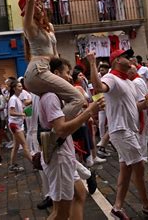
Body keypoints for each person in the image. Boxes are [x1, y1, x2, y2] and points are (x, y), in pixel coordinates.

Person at [89, 49, 148, 220]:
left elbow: (134, 106)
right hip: (121, 130)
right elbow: (98, 87)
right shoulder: (111, 78)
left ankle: (117, 207)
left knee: (126, 170)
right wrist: (91, 63)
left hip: (130, 129)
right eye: (126, 57)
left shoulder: (129, 82)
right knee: (139, 166)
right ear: (117, 60)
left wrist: (147, 103)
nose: (131, 59)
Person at [20, 0, 85, 120]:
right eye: (35, 4)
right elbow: (28, 1)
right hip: (38, 70)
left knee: (67, 100)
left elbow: (55, 55)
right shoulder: (30, 27)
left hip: (46, 70)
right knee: (78, 98)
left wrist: (64, 72)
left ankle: (53, 128)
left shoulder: (49, 27)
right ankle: (56, 129)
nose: (39, 5)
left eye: (40, 3)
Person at [40, 57, 103, 220]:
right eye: (67, 73)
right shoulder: (51, 97)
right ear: (55, 74)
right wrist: (89, 111)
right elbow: (60, 129)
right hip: (59, 158)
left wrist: (87, 111)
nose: (70, 76)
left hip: (65, 155)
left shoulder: (57, 95)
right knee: (60, 213)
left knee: (80, 194)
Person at [7, 79, 33, 172]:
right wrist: (22, 114)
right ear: (14, 88)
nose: (21, 88)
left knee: (16, 146)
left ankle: (12, 165)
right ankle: (35, 164)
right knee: (25, 145)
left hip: (17, 124)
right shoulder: (13, 99)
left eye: (21, 86)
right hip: (15, 125)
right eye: (19, 86)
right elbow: (11, 112)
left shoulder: (17, 98)